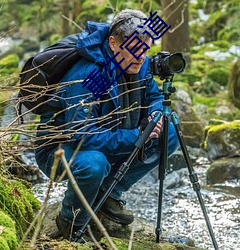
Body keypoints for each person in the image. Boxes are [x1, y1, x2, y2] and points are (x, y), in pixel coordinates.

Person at [35, 9, 179, 241]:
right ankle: (70, 221)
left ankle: (109, 193)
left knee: (169, 132)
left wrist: (155, 114)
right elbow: (81, 135)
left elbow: (153, 96)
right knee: (94, 164)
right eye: (134, 49)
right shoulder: (92, 76)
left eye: (145, 50)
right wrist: (136, 136)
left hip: (110, 136)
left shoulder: (137, 62)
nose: (141, 57)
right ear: (113, 43)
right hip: (61, 149)